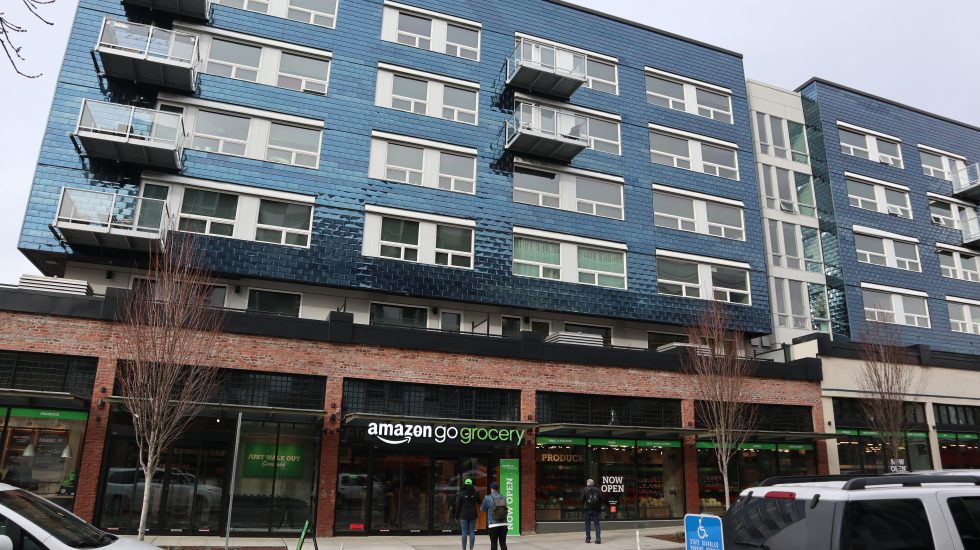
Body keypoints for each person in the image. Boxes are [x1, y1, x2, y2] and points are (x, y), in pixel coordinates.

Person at [452, 478, 479, 550]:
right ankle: (471, 548)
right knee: (471, 531)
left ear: (465, 484)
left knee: (464, 532)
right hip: (473, 515)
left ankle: (464, 548)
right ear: (471, 484)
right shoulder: (475, 493)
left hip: (463, 515)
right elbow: (479, 501)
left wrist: (456, 516)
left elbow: (457, 506)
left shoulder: (461, 494)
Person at [481, 481, 508, 550]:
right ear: (498, 489)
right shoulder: (504, 497)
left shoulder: (487, 498)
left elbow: (482, 509)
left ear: (491, 489)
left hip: (493, 525)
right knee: (503, 543)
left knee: (493, 543)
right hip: (504, 524)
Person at [581, 478, 602, 544]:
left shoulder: (584, 489)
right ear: (593, 483)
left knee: (587, 524)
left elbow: (581, 499)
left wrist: (584, 504)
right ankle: (598, 539)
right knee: (597, 524)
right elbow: (601, 499)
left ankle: (588, 539)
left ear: (588, 483)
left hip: (587, 509)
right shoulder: (597, 489)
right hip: (596, 509)